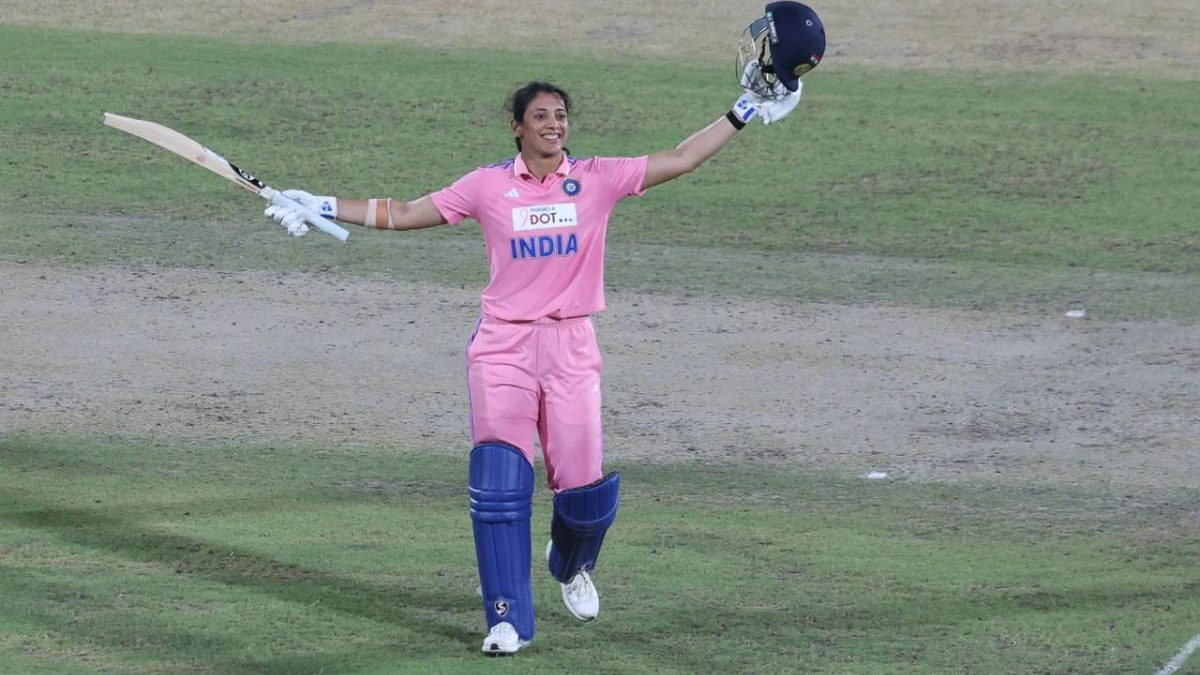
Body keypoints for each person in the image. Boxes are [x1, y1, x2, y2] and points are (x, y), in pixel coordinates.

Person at [264, 5, 822, 656]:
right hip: (502, 347)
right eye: (540, 116)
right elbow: (407, 211)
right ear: (517, 128)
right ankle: (506, 618)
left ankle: (572, 563)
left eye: (560, 115)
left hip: (572, 348)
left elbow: (681, 158)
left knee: (582, 492)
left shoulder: (597, 180)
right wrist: (321, 203)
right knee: (500, 482)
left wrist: (744, 111)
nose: (554, 124)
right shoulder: (486, 187)